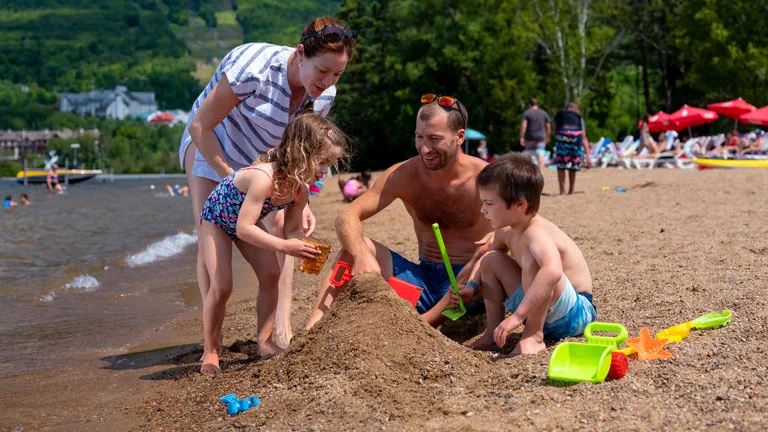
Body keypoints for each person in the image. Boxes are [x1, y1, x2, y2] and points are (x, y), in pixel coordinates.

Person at [179, 16, 356, 348]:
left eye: (337, 74)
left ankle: (280, 332)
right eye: (322, 72)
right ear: (301, 53)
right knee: (211, 230)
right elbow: (200, 126)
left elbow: (305, 149)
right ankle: (212, 341)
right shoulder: (254, 67)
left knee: (282, 228)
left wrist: (304, 199)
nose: (328, 81)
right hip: (213, 143)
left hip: (265, 158)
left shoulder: (323, 94)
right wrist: (233, 180)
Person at [305, 93, 493, 330]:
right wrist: (362, 255)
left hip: (472, 287)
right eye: (419, 137)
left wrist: (498, 237)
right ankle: (312, 330)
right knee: (352, 249)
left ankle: (433, 323)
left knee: (493, 259)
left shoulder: (486, 177)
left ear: (460, 137)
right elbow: (347, 215)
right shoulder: (404, 174)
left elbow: (523, 222)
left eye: (435, 138)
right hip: (422, 283)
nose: (424, 148)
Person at [199, 113, 347, 374]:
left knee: (272, 274)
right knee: (221, 286)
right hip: (216, 218)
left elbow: (290, 230)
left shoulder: (299, 189)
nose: (326, 171)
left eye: (330, 164)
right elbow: (244, 228)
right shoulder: (262, 178)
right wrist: (285, 246)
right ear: (301, 152)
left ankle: (264, 341)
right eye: (323, 162)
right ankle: (210, 351)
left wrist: (303, 247)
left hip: (245, 222)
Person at [450, 155, 596, 354]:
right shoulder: (506, 229)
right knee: (491, 259)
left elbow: (552, 271)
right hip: (541, 306)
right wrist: (473, 286)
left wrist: (518, 316)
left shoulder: (536, 232)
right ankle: (493, 333)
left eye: (489, 203)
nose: (482, 209)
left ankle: (534, 336)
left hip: (574, 313)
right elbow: (489, 257)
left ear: (520, 205)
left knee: (533, 260)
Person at [553, 102, 590, 195]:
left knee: (561, 165)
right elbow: (584, 136)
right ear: (577, 110)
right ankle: (571, 190)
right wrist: (588, 156)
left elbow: (555, 130)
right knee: (573, 164)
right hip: (576, 136)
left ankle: (562, 191)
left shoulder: (559, 114)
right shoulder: (579, 117)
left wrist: (559, 138)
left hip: (562, 134)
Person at [520, 98, 551, 168]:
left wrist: (521, 137)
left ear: (529, 105)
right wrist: (548, 137)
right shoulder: (544, 113)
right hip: (541, 138)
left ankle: (529, 173)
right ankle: (541, 173)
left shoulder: (527, 113)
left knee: (528, 156)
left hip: (529, 138)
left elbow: (523, 126)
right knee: (540, 154)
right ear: (537, 105)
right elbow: (548, 126)